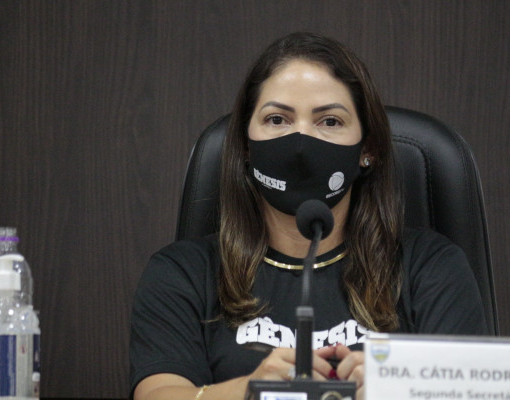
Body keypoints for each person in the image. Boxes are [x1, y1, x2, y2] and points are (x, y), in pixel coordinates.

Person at [130, 32, 487, 400]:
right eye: (277, 119)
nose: (300, 143)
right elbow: (157, 393)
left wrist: (397, 390)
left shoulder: (431, 267)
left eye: (329, 121)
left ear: (367, 148)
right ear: (247, 146)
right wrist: (252, 390)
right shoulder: (183, 272)